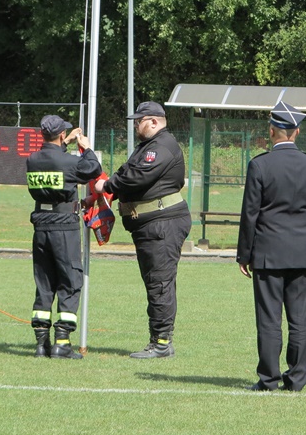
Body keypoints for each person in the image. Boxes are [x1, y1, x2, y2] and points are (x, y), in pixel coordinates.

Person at [237, 102, 306, 391]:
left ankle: (269, 379)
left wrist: (244, 254)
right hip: (302, 253)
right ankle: (297, 379)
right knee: (299, 318)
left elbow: (250, 213)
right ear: (297, 132)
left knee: (269, 319)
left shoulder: (260, 164)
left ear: (271, 131)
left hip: (267, 253)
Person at [94, 101, 192, 358]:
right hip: (152, 224)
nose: (136, 125)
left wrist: (107, 186)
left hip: (162, 224)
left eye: (139, 121)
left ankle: (161, 343)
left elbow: (136, 177)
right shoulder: (149, 146)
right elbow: (127, 171)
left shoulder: (161, 146)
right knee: (156, 282)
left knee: (159, 283)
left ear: (154, 121)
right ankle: (160, 340)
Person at [25, 115, 104, 360]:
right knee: (70, 280)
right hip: (64, 226)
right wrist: (86, 147)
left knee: (44, 282)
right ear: (61, 134)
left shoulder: (32, 160)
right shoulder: (70, 162)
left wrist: (65, 143)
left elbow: (54, 160)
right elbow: (93, 169)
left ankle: (41, 344)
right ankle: (62, 342)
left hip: (41, 225)